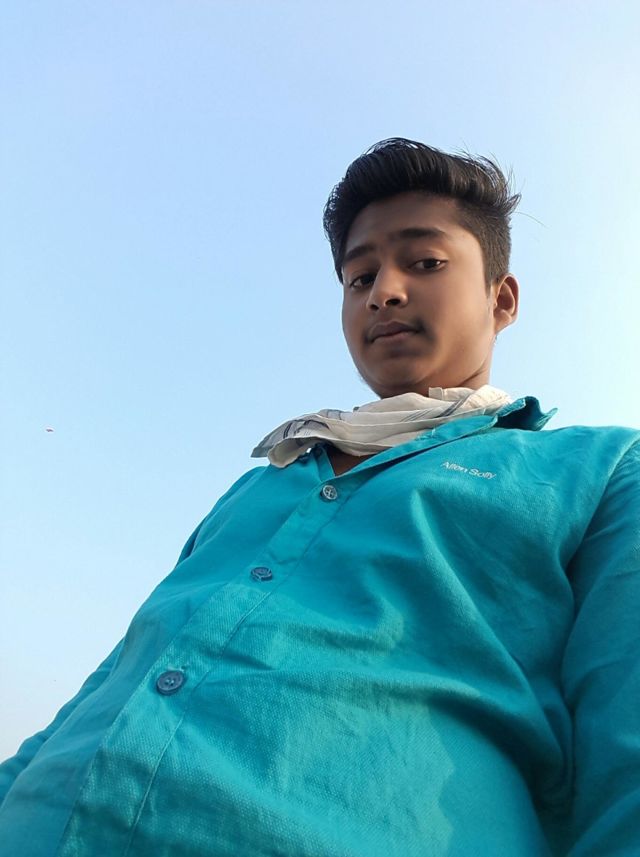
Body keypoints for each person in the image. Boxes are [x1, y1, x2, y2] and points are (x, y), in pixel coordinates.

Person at [1, 138, 638, 856]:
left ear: (503, 297)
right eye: (359, 275)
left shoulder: (602, 469)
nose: (383, 291)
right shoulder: (260, 484)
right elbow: (116, 674)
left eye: (425, 262)